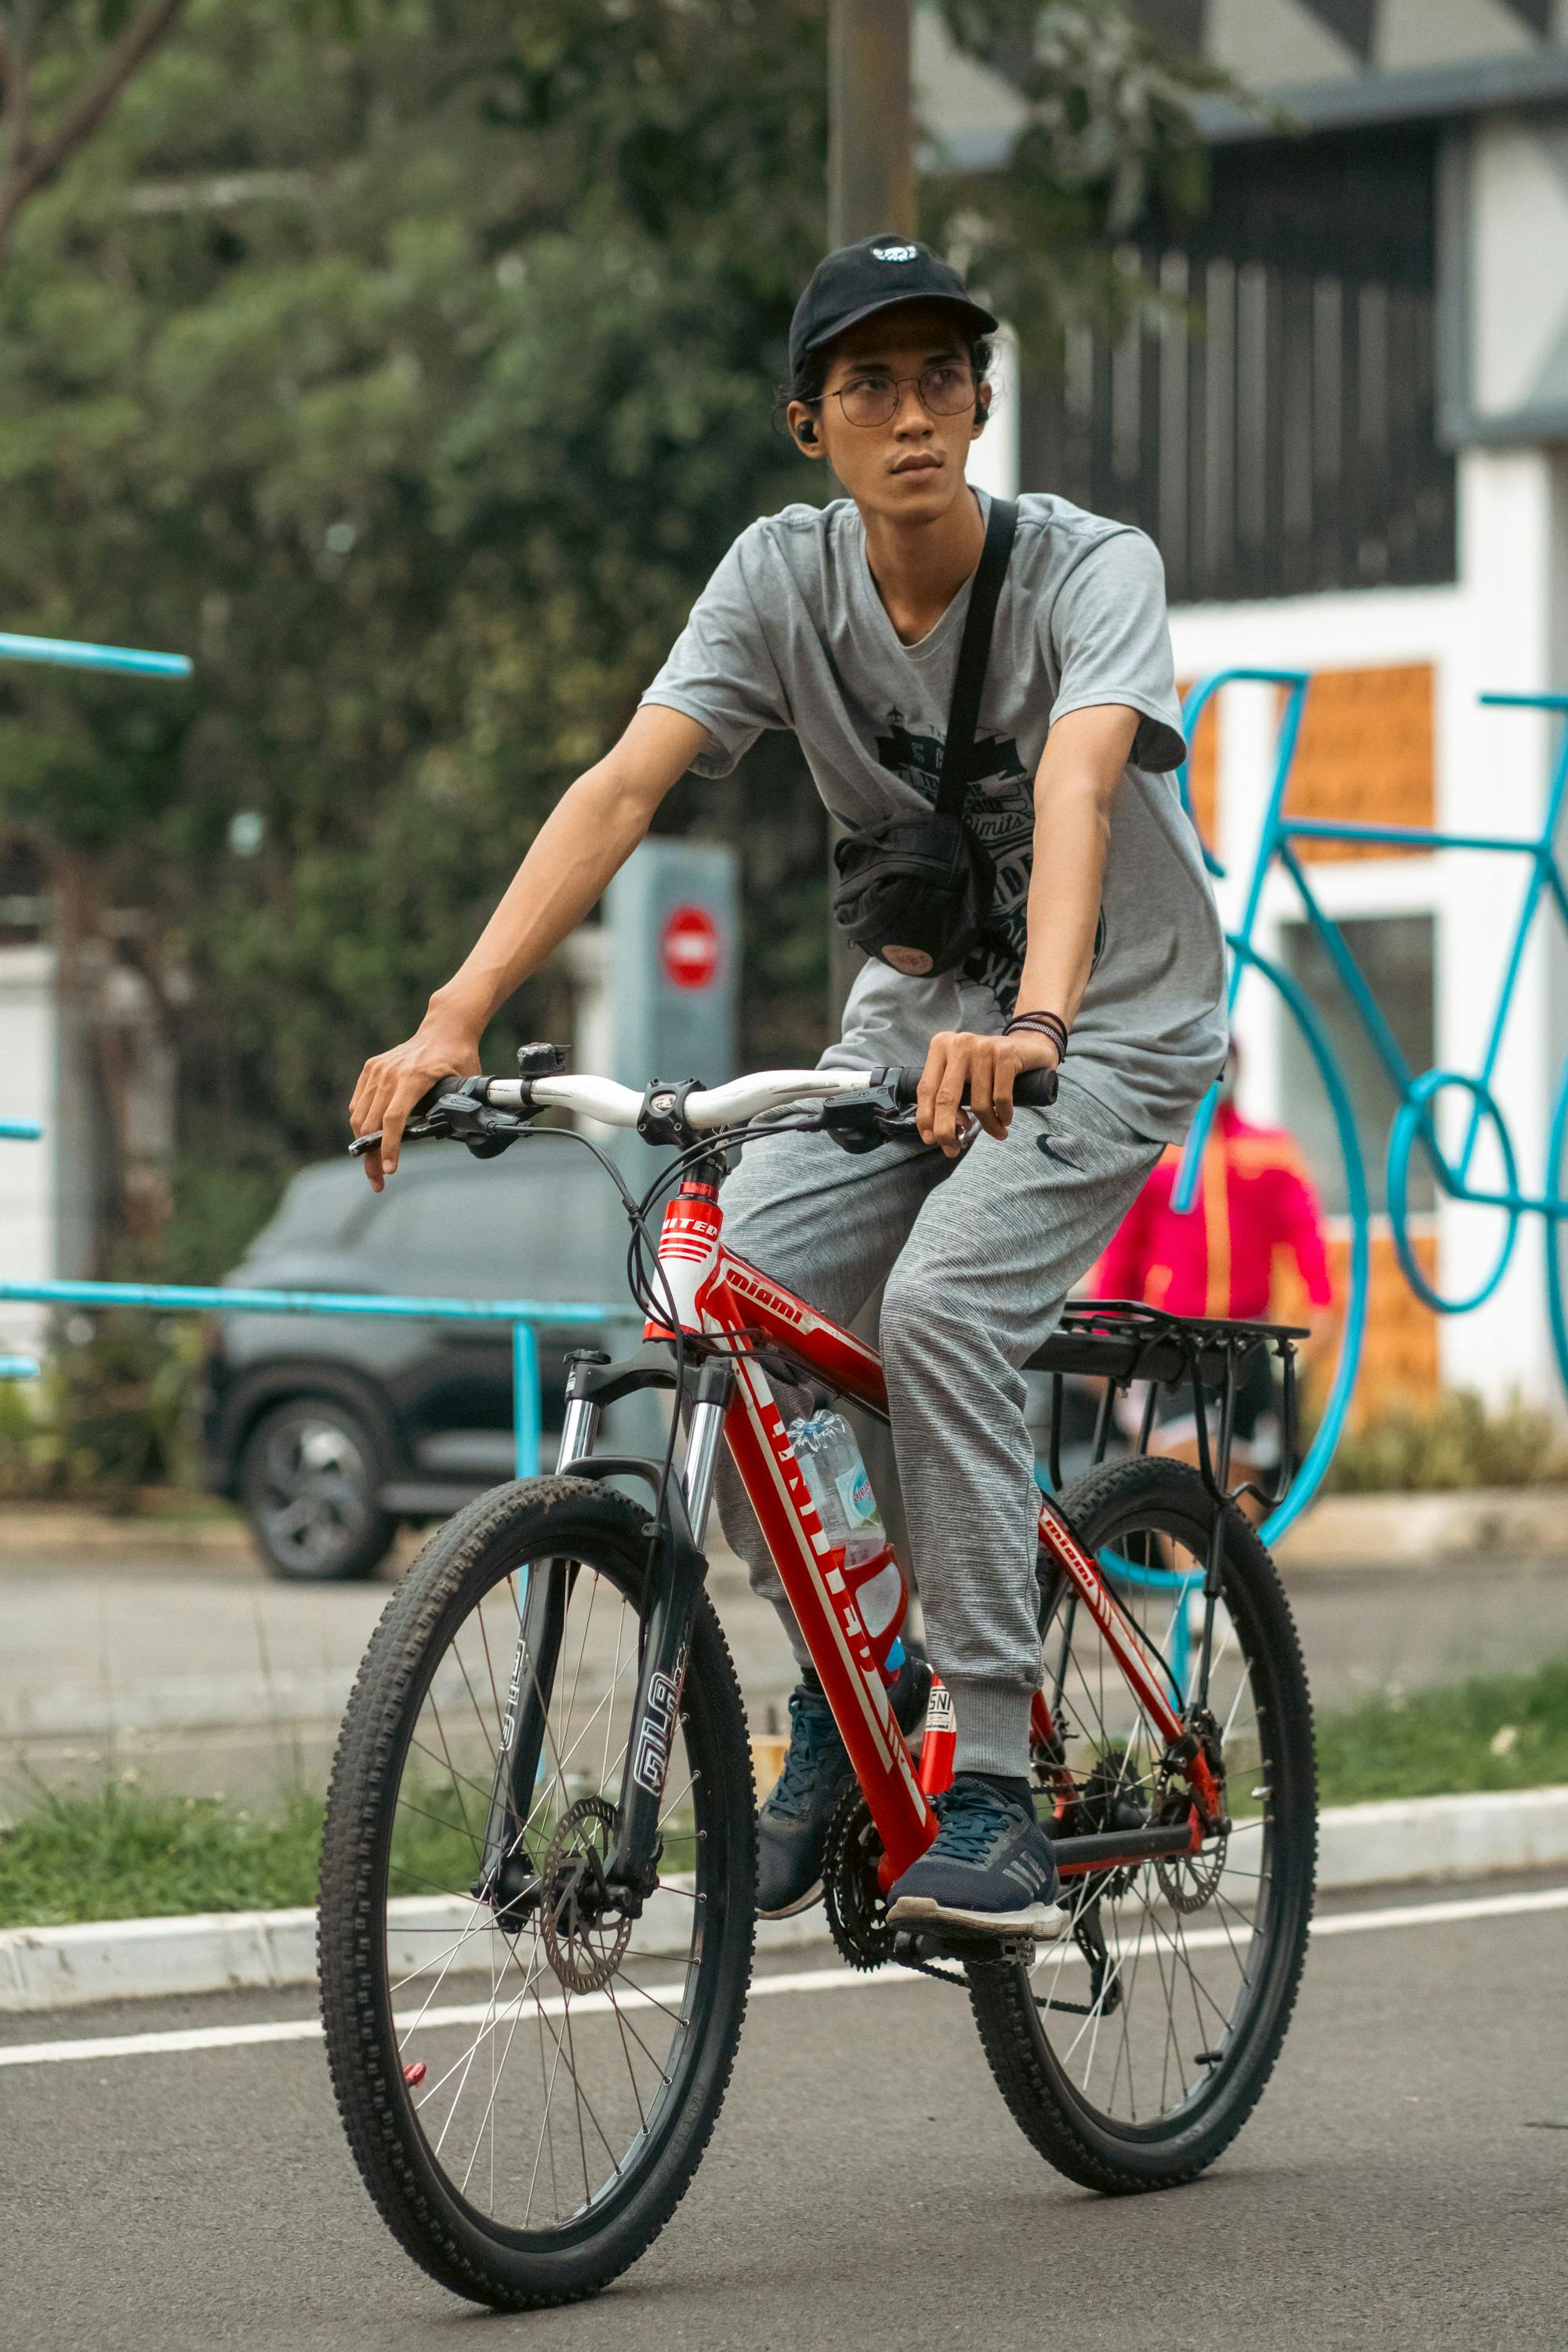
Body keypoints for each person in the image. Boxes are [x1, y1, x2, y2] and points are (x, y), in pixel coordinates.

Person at [349, 234, 1227, 1940]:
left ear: (978, 406)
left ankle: (989, 1781)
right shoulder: (776, 582)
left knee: (944, 1309)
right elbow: (621, 787)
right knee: (721, 1292)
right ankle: (853, 1671)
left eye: (943, 380)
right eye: (870, 387)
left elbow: (1077, 781)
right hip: (908, 1029)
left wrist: (1037, 1023)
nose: (914, 416)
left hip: (1108, 1020)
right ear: (806, 424)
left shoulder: (1087, 569)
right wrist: (455, 1014)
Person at [1093, 1043, 1333, 1494]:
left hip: (1247, 1336)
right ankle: (1188, 1564)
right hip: (1173, 1336)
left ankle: (1229, 1566)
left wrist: (1322, 1303)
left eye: (1227, 1064)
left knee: (1242, 1471)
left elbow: (1305, 1232)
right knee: (1177, 1466)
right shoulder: (1157, 1150)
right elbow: (1124, 1251)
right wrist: (1108, 1332)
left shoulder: (1269, 1149)